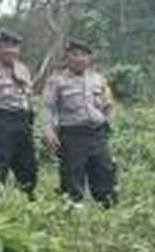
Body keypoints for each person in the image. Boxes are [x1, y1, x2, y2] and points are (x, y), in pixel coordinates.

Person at [42, 40, 117, 206]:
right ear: (67, 57)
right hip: (72, 135)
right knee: (72, 175)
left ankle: (107, 208)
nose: (79, 59)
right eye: (74, 55)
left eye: (83, 55)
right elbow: (48, 108)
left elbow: (108, 104)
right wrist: (48, 130)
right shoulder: (56, 80)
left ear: (88, 58)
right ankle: (72, 210)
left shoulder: (99, 79)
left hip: (97, 134)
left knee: (105, 171)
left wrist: (105, 119)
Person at [0, 28, 37, 197]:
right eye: (5, 46)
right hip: (1, 119)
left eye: (13, 47)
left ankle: (27, 196)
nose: (9, 50)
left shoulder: (23, 69)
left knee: (28, 162)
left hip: (22, 120)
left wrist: (30, 119)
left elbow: (28, 96)